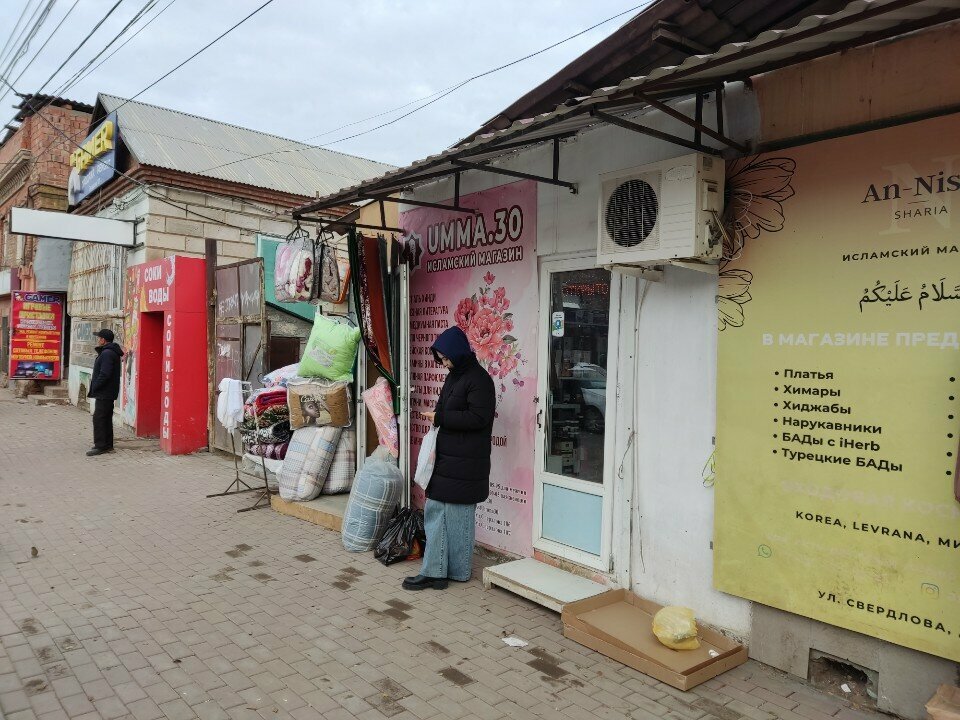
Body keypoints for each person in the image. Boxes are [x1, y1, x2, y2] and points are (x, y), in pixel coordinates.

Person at [403, 326, 496, 591]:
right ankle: (434, 572)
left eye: (446, 358)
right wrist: (437, 416)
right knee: (435, 513)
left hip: (466, 463)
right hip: (446, 460)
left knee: (458, 519)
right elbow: (444, 408)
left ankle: (457, 573)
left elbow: (479, 418)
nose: (444, 363)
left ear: (458, 352)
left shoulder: (480, 380)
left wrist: (441, 417)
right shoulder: (454, 376)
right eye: (441, 359)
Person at [87, 328, 124, 457]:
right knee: (106, 418)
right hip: (108, 392)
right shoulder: (110, 352)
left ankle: (101, 446)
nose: (98, 340)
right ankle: (107, 445)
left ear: (103, 340)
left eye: (99, 338)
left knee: (99, 418)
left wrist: (96, 386)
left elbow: (105, 373)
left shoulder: (107, 353)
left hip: (104, 392)